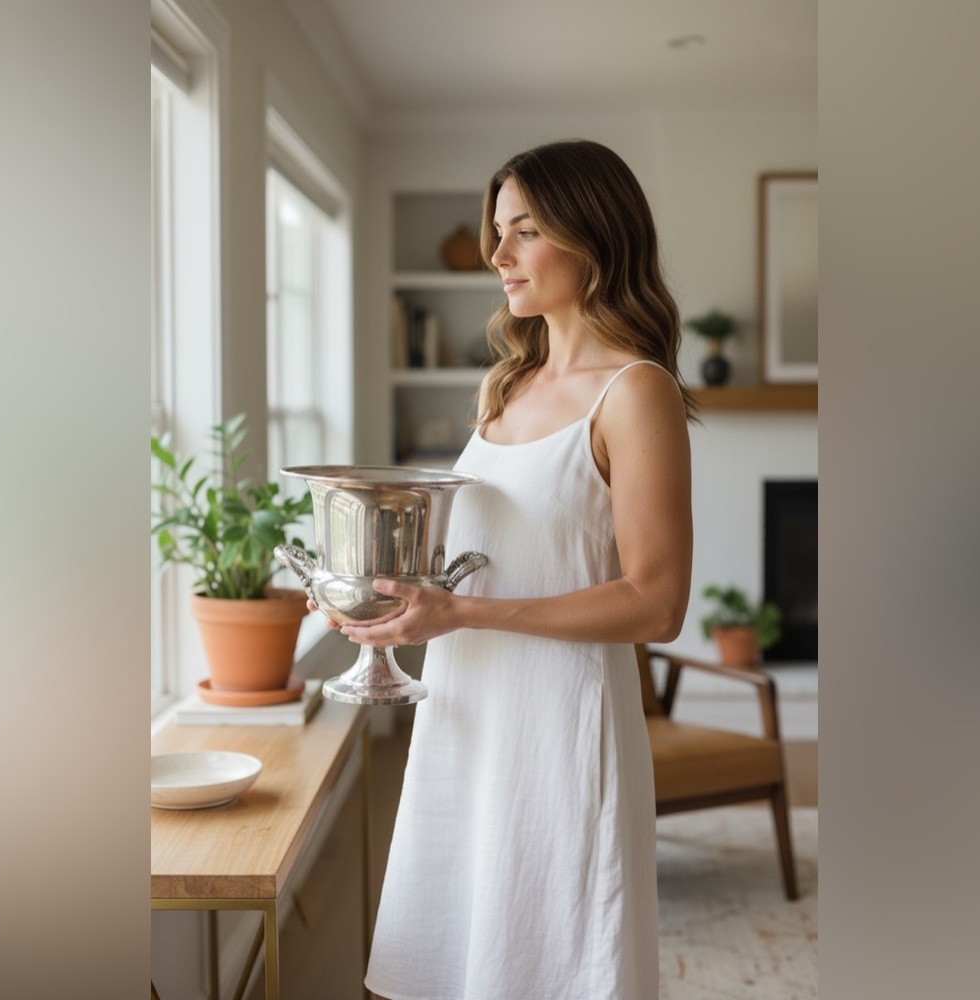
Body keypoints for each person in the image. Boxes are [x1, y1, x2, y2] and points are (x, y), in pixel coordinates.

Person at [343, 139, 694, 1000]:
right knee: (461, 953)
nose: (495, 255)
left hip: (559, 727)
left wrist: (460, 618)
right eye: (496, 231)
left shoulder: (635, 392)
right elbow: (477, 559)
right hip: (469, 711)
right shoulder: (507, 384)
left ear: (593, 235)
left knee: (553, 957)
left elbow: (657, 603)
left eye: (524, 231)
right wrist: (378, 598)